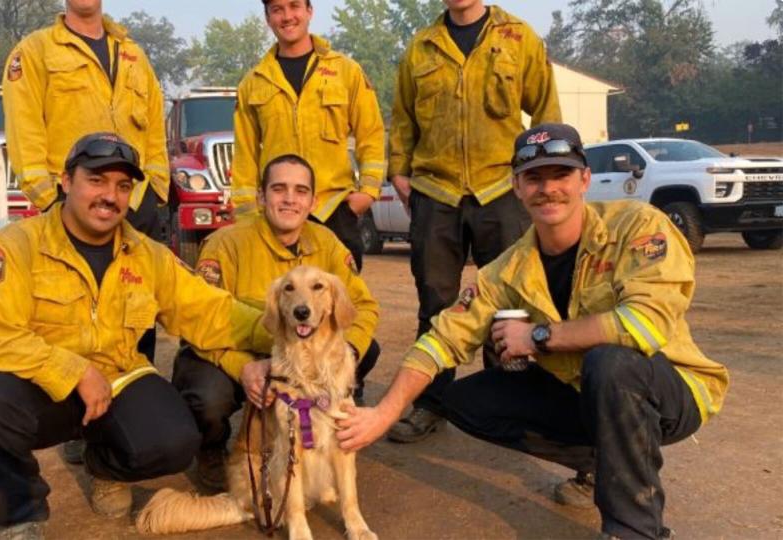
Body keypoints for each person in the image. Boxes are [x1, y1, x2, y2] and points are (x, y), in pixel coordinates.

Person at [337, 123, 729, 540]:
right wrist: (384, 413)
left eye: (560, 175)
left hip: (671, 388)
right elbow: (441, 338)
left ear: (584, 179)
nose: (549, 189)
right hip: (591, 395)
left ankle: (635, 529)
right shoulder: (508, 268)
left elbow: (644, 325)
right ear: (517, 187)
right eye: (534, 178)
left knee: (612, 363)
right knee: (465, 399)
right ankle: (606, 461)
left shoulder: (637, 227)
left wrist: (538, 337)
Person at [0, 133, 273, 540]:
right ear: (66, 181)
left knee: (175, 441)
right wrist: (75, 371)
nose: (110, 196)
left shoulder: (147, 255)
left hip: (119, 377)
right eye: (97, 180)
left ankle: (104, 464)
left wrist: (285, 329)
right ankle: (20, 514)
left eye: (123, 186)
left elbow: (210, 311)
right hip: (37, 383)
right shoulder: (16, 247)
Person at [386, 0, 563, 443]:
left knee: (509, 301)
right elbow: (403, 119)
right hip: (436, 192)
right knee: (435, 303)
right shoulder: (421, 48)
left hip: (501, 191)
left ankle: (507, 404)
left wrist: (538, 177)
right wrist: (399, 173)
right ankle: (432, 402)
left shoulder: (519, 39)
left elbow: (546, 114)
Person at [179, 154, 380, 491]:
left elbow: (364, 307)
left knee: (367, 349)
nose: (290, 199)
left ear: (313, 201)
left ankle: (316, 433)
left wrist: (344, 355)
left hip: (291, 360)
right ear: (261, 197)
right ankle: (211, 449)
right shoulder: (225, 243)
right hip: (234, 356)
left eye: (301, 191)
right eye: (279, 189)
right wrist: (245, 367)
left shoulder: (327, 243)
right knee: (207, 396)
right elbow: (197, 322)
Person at [231, 0, 386, 271]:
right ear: (267, 18)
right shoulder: (253, 83)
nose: (287, 16)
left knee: (340, 302)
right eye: (277, 10)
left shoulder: (345, 71)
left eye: (294, 7)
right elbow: (245, 153)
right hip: (278, 213)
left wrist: (368, 193)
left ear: (309, 11)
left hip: (334, 209)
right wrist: (246, 216)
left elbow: (371, 133)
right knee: (282, 303)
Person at [2, 0, 169, 238]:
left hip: (135, 205)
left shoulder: (133, 55)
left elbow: (155, 128)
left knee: (147, 276)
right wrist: (51, 201)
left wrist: (154, 190)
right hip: (71, 205)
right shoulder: (34, 51)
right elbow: (23, 131)